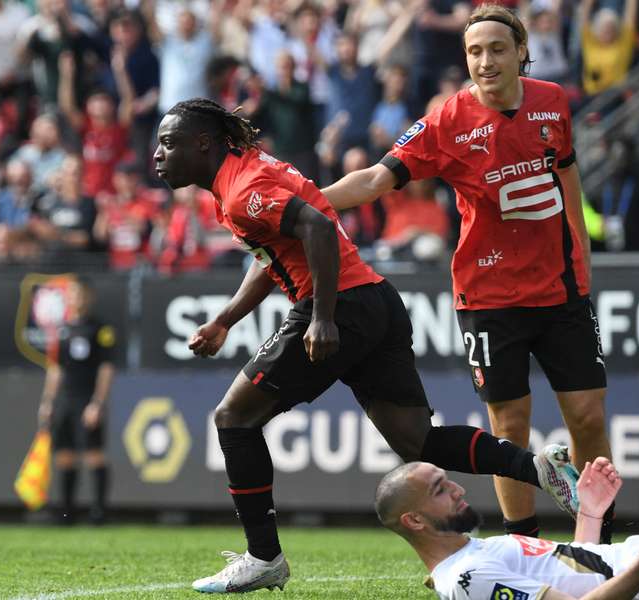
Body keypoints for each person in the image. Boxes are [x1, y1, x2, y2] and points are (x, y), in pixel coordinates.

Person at [153, 97, 580, 594]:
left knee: (233, 418)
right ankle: (537, 467)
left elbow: (315, 227)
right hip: (377, 302)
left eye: (167, 144)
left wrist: (323, 318)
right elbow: (280, 248)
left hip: (342, 306)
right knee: (419, 443)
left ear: (202, 143)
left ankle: (263, 556)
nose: (158, 155)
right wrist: (227, 319)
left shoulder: (243, 188)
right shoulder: (243, 176)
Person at [322, 3, 613, 543]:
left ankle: (601, 542)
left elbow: (566, 175)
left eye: (498, 48)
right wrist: (310, 204)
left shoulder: (553, 102)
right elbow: (373, 180)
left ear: (521, 51)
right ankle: (523, 543)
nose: (486, 60)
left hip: (560, 287)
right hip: (488, 296)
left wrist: (581, 250)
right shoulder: (445, 120)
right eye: (475, 51)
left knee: (588, 414)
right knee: (510, 426)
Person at [375, 457, 639, 600]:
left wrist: (590, 513)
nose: (458, 490)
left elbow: (578, 577)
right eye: (440, 490)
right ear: (414, 520)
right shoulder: (467, 578)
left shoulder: (472, 555)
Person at [37, 278, 116, 525]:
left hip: (86, 398)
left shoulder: (100, 329)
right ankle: (66, 512)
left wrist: (97, 402)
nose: (76, 298)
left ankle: (98, 512)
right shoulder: (62, 329)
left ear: (89, 296)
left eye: (80, 294)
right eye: (72, 294)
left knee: (93, 454)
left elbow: (106, 368)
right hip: (64, 400)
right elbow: (56, 369)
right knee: (64, 455)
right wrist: (48, 401)